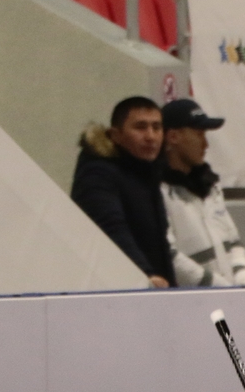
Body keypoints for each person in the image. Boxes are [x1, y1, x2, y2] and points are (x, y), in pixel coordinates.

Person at [71, 96, 179, 289]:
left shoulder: (147, 173)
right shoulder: (97, 175)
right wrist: (145, 275)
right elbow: (111, 229)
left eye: (157, 127)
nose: (151, 136)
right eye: (140, 127)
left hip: (154, 293)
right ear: (115, 135)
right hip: (117, 292)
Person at [160, 99, 245, 288]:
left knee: (225, 320)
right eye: (198, 134)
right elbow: (168, 255)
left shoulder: (210, 186)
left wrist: (243, 276)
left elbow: (233, 239)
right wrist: (214, 285)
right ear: (173, 137)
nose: (205, 144)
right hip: (192, 305)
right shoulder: (158, 192)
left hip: (221, 303)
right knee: (220, 320)